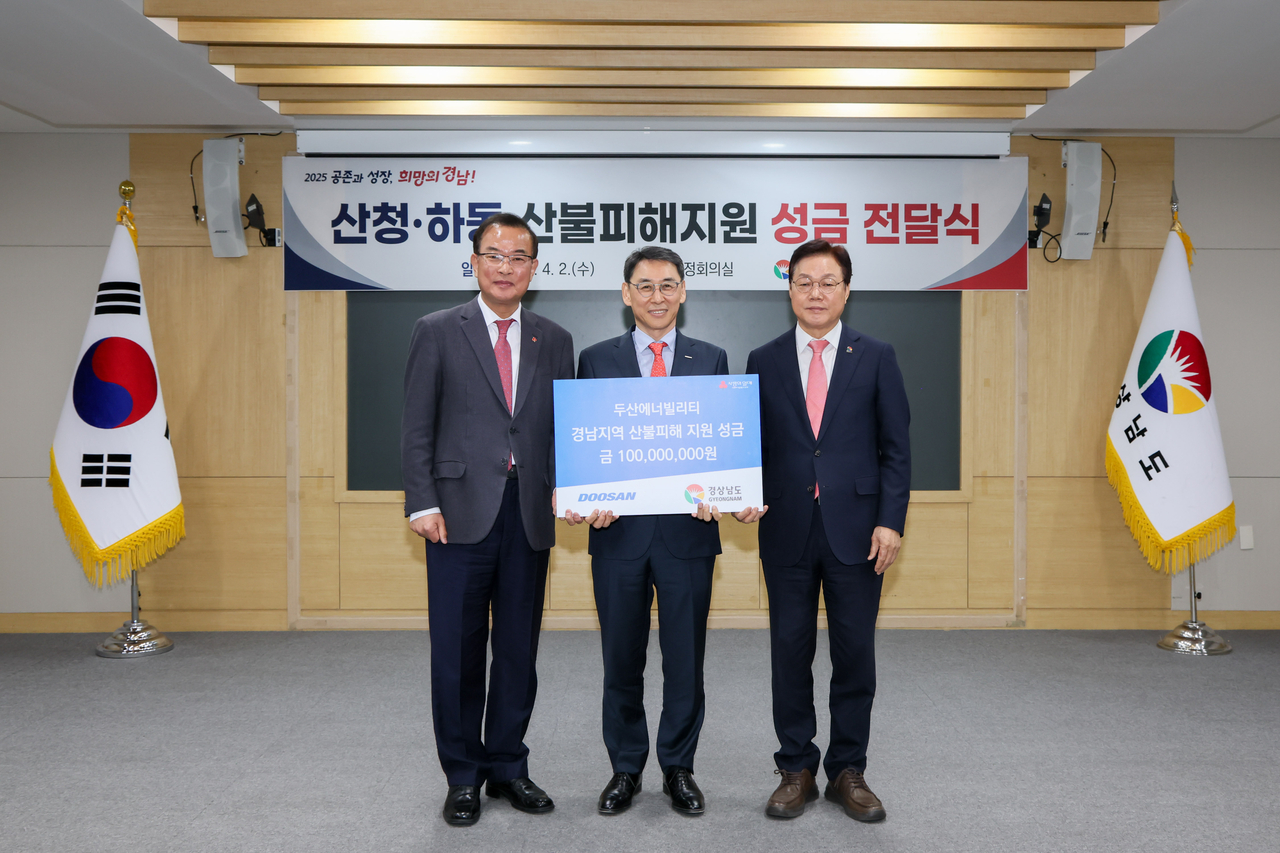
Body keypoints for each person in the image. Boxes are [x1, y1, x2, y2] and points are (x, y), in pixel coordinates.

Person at [401, 212, 574, 827]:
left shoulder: (554, 339)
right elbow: (417, 424)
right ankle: (462, 774)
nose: (506, 267)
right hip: (456, 516)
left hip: (528, 514)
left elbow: (563, 429)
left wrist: (573, 488)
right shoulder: (436, 330)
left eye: (519, 257)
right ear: (474, 262)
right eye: (495, 255)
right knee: (457, 651)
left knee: (518, 651)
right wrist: (422, 501)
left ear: (534, 268)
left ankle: (507, 765)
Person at [743, 239, 910, 822]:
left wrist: (891, 520)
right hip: (785, 528)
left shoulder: (877, 355)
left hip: (858, 531)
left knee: (854, 653)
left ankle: (847, 770)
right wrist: (742, 494)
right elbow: (751, 447)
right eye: (804, 282)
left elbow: (896, 448)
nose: (816, 293)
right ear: (789, 289)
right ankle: (795, 768)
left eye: (828, 282)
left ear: (846, 290)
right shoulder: (762, 359)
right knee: (789, 652)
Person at [567, 246, 733, 817]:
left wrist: (721, 491)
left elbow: (719, 442)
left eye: (667, 285)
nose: (656, 297)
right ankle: (625, 767)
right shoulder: (595, 359)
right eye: (645, 286)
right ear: (626, 293)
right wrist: (588, 498)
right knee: (621, 659)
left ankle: (679, 767)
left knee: (685, 661)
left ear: (683, 291)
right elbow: (585, 443)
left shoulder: (711, 358)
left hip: (688, 535)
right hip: (618, 536)